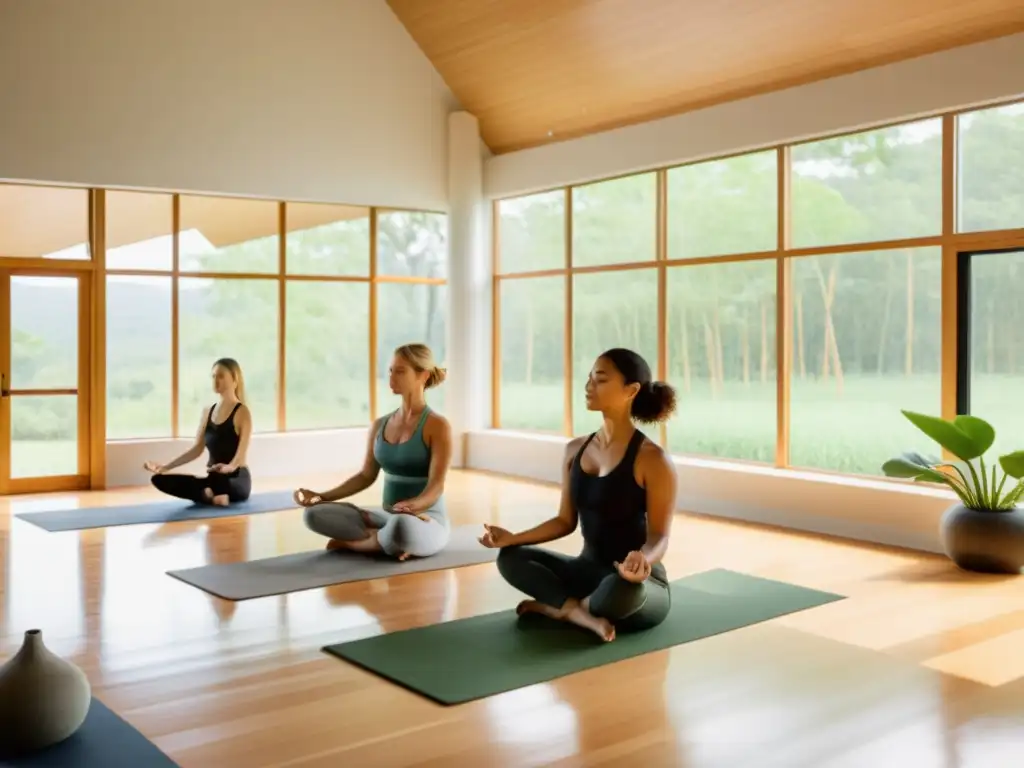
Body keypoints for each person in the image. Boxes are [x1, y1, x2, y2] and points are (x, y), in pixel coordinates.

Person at [480, 348, 678, 643]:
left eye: (600, 379)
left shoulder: (653, 460)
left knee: (622, 591)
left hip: (637, 583)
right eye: (589, 378)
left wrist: (643, 561)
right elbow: (564, 521)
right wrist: (513, 538)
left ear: (631, 390)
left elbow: (660, 536)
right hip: (585, 570)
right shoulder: (575, 450)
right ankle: (576, 612)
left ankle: (561, 607)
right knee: (510, 558)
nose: (588, 386)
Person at [295, 343, 452, 561]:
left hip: (425, 519)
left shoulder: (438, 426)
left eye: (400, 371)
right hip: (385, 516)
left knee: (403, 526)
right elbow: (365, 476)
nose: (392, 377)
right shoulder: (380, 424)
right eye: (390, 370)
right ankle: (386, 541)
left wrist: (413, 506)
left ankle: (360, 544)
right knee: (312, 515)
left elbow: (436, 486)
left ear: (423, 375)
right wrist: (321, 496)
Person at [143, 358, 253, 506]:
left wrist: (229, 467)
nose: (216, 380)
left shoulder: (242, 412)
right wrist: (165, 467)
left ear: (235, 379)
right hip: (214, 478)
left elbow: (240, 455)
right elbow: (196, 449)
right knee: (159, 480)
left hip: (236, 478)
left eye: (221, 376)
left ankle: (211, 494)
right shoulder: (208, 412)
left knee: (219, 480)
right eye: (213, 376)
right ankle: (213, 496)